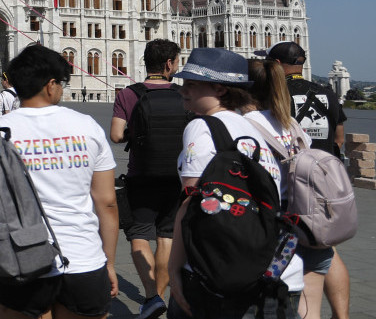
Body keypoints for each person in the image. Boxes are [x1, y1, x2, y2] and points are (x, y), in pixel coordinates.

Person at [167, 48, 303, 319]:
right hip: (276, 268)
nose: (183, 90)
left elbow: (191, 202)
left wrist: (173, 269)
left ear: (219, 89)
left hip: (219, 273)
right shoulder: (252, 127)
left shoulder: (203, 126)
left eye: (191, 84)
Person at [0, 45, 119, 319]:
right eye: (61, 83)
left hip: (20, 260)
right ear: (50, 85)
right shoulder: (88, 126)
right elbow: (107, 203)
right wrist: (108, 262)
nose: (61, 89)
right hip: (83, 259)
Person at [259, 42, 351, 319]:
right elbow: (339, 137)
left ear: (275, 64)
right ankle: (341, 314)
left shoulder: (275, 93)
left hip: (292, 183)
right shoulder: (326, 93)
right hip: (326, 179)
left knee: (301, 258)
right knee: (326, 251)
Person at [109, 39, 188, 319]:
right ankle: (159, 296)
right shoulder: (183, 94)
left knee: (139, 236)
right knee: (166, 238)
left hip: (140, 176)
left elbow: (117, 135)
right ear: (168, 64)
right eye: (177, 61)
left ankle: (152, 296)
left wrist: (136, 132)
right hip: (174, 178)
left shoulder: (128, 94)